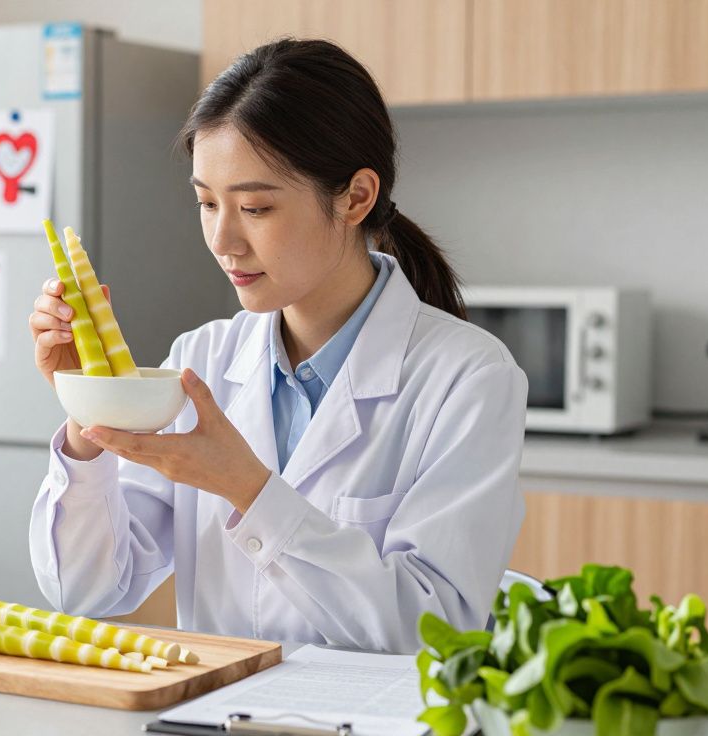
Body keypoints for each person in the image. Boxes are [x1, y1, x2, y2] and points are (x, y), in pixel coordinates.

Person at [26, 38, 528, 653]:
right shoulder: (198, 362)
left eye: (255, 207)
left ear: (355, 197)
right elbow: (88, 590)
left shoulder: (468, 378)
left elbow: (431, 631)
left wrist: (250, 490)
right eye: (206, 203)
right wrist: (91, 417)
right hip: (213, 715)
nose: (222, 239)